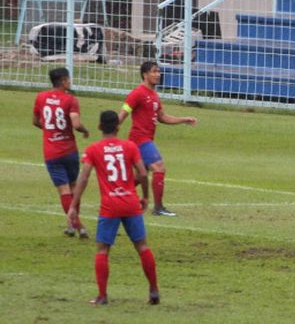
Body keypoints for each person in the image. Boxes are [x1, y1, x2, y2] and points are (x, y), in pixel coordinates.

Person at [67, 110, 159, 305]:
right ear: (118, 126)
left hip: (110, 205)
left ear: (100, 127)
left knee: (102, 250)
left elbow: (83, 178)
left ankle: (102, 295)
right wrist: (144, 197)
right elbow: (143, 173)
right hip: (130, 203)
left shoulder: (93, 149)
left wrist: (74, 205)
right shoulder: (130, 146)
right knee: (142, 246)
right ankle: (153, 290)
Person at [118, 61, 197, 217]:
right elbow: (125, 110)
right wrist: (113, 127)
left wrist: (183, 119)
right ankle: (158, 208)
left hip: (145, 139)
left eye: (159, 71)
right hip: (139, 140)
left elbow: (162, 117)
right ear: (145, 74)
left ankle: (117, 197)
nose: (158, 74)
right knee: (159, 168)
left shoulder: (153, 95)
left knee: (140, 176)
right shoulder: (138, 93)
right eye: (154, 71)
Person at [33, 67, 91, 238]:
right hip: (69, 150)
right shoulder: (70, 99)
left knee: (63, 190)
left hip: (51, 151)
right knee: (74, 188)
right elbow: (76, 123)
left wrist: (50, 130)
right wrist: (85, 130)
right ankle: (76, 225)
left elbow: (35, 121)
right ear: (64, 81)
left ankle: (74, 225)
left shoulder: (41, 97)